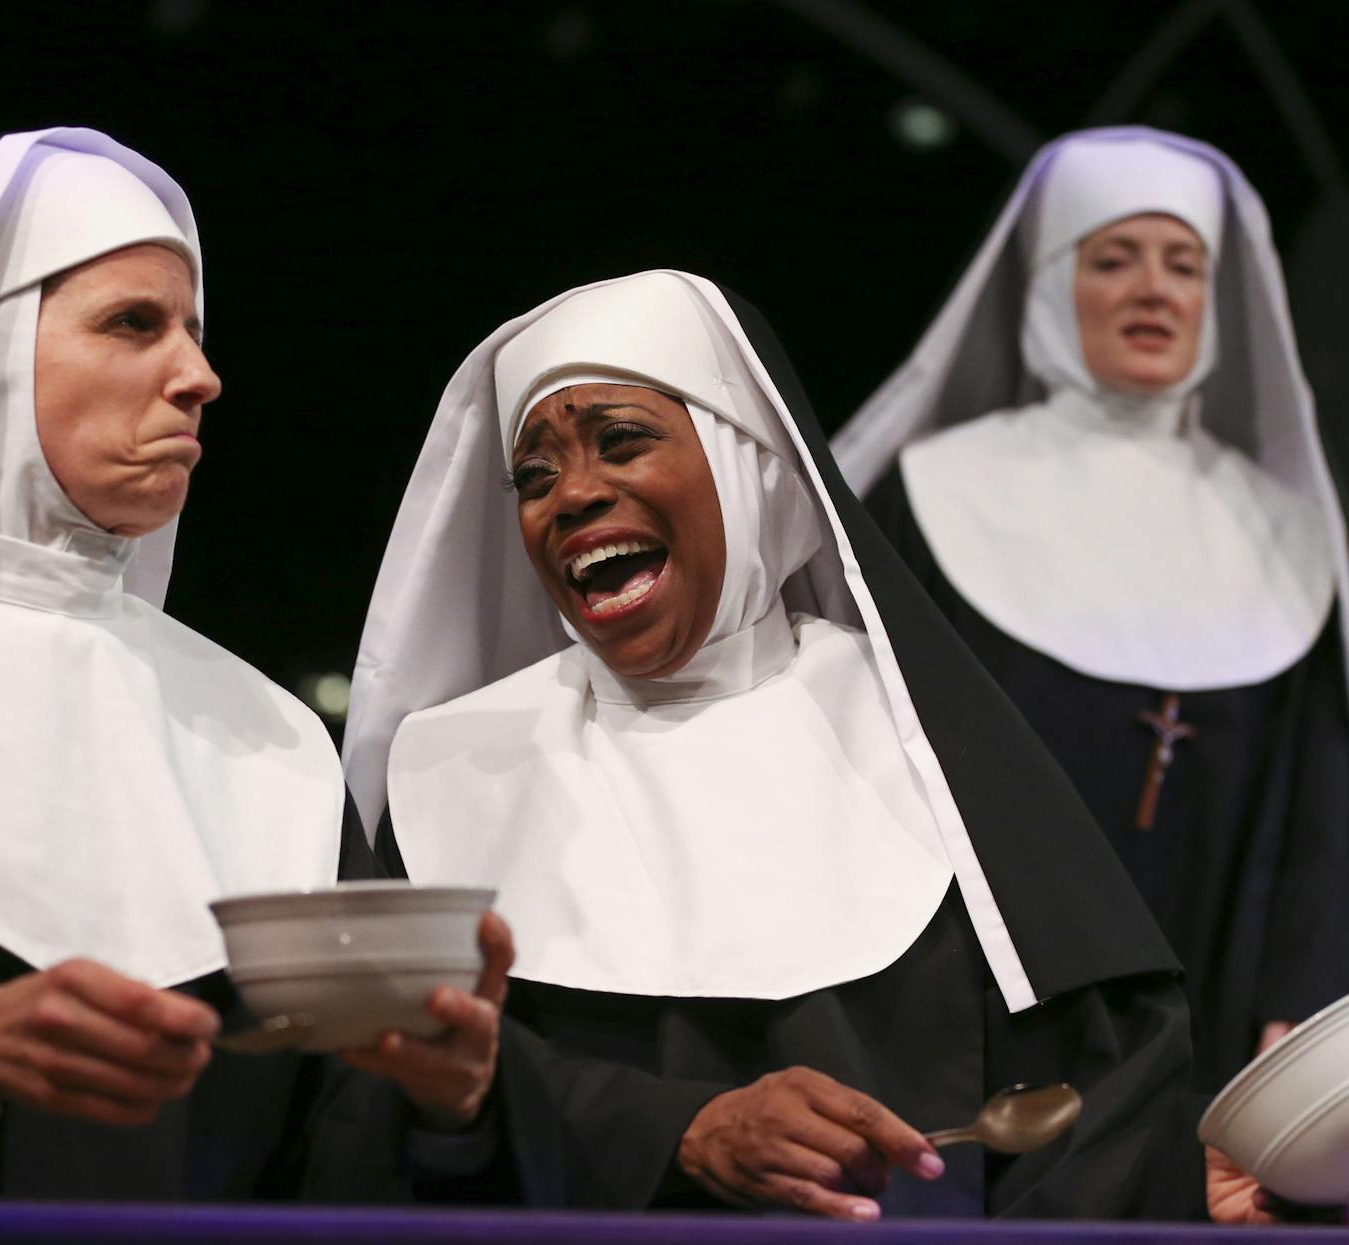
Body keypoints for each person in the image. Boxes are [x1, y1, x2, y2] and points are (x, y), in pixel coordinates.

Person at [339, 269, 1238, 1220]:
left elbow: (1099, 1095)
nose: (572, 495)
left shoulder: (924, 744)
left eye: (622, 440)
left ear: (753, 466)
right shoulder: (451, 777)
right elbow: (389, 1112)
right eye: (534, 474)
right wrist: (678, 1131)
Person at [0, 128, 509, 1200]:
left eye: (193, 329)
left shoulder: (270, 739)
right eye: (134, 324)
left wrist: (448, 1107)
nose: (200, 376)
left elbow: (334, 1148)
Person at [831, 127, 1349, 1096]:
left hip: (1217, 1022)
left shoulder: (1287, 534)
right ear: (1050, 285)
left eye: (1185, 265)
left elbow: (1321, 805)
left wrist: (1308, 1000)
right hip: (969, 1012)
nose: (1155, 290)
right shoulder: (938, 492)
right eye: (1114, 259)